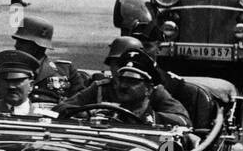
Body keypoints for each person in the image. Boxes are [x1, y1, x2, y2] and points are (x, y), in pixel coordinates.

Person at [58, 49, 191, 127]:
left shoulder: (157, 92)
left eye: (132, 81)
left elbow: (183, 121)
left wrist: (146, 118)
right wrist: (88, 112)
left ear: (148, 89)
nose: (123, 86)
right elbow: (60, 109)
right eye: (122, 79)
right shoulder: (101, 88)